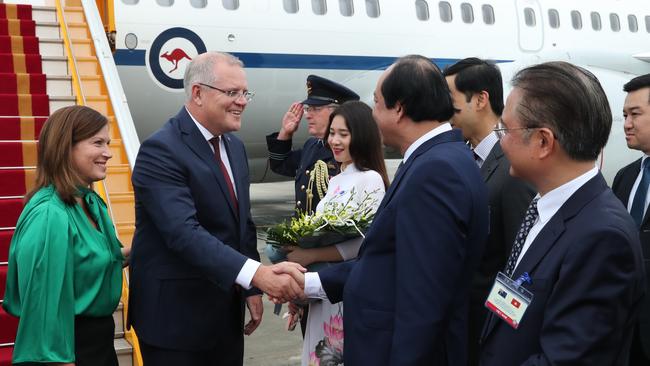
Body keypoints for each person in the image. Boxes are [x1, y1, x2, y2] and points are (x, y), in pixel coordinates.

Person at [277, 55, 490, 365]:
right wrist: (309, 282)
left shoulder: (436, 170)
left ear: (399, 107)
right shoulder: (432, 159)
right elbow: (392, 262)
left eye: (376, 103)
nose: (372, 114)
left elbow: (424, 301)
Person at [128, 52, 305, 366]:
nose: (242, 101)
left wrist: (250, 288)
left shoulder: (233, 147)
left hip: (224, 318)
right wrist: (259, 274)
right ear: (198, 93)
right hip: (175, 324)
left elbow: (242, 225)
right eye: (232, 93)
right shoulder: (161, 150)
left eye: (244, 93)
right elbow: (184, 234)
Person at [479, 62, 645, 366]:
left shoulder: (601, 238)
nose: (500, 141)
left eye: (504, 128)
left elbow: (566, 358)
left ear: (543, 142)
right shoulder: (543, 208)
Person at [2, 105, 128, 365]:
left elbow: (91, 263)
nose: (108, 153)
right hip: (68, 350)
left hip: (100, 345)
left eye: (108, 143)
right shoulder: (49, 215)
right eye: (98, 143)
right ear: (65, 147)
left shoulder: (90, 202)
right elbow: (43, 307)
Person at [283, 101, 389, 365]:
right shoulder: (337, 180)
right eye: (333, 133)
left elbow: (365, 243)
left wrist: (310, 255)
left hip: (344, 293)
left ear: (362, 135)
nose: (335, 141)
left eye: (344, 134)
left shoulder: (370, 179)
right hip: (322, 291)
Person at [444, 57, 534, 365]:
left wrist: (502, 339)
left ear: (481, 99)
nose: (446, 114)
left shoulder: (512, 169)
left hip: (487, 329)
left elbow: (519, 264)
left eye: (452, 105)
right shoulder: (462, 160)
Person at [267, 74, 360, 214]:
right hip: (307, 233)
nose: (307, 115)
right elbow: (280, 165)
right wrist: (286, 132)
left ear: (337, 112)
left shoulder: (349, 149)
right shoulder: (313, 145)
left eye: (316, 109)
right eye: (307, 108)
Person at [612, 73, 650, 366]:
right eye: (624, 115)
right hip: (624, 328)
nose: (626, 124)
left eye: (635, 114)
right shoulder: (625, 177)